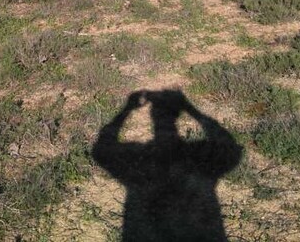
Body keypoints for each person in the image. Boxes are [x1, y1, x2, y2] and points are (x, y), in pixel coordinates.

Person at [92, 89, 242, 241]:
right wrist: (190, 108)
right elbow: (230, 149)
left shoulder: (139, 159)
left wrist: (127, 109)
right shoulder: (196, 157)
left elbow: (101, 151)